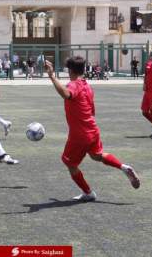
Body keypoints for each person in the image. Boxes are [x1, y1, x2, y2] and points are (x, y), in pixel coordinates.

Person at [45, 57, 140, 202]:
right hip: (92, 130)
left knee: (69, 163)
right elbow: (92, 110)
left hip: (80, 134)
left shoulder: (74, 84)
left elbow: (66, 94)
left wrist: (52, 76)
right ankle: (123, 167)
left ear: (70, 71)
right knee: (97, 156)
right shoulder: (87, 86)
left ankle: (88, 193)